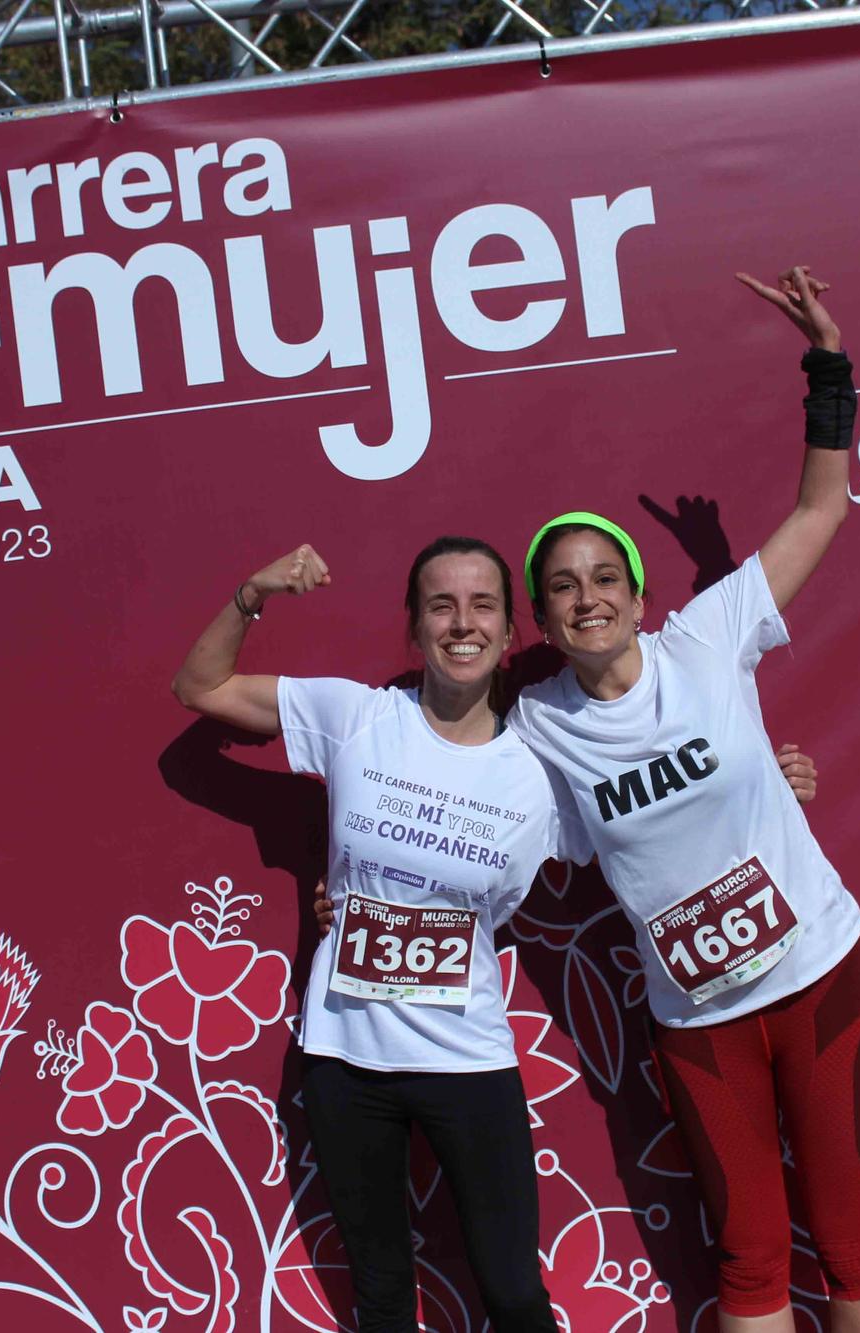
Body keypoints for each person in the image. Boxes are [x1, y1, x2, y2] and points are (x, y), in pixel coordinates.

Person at [172, 535, 822, 1331]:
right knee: (380, 1300)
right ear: (414, 626)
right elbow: (199, 686)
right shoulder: (355, 716)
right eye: (440, 605)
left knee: (515, 1295)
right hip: (345, 1059)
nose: (461, 622)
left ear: (512, 630)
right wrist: (253, 589)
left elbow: (667, 803)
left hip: (467, 1059)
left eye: (482, 604)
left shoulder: (543, 764)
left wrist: (764, 772)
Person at [504, 264, 860, 1333]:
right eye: (562, 585)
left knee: (854, 1241)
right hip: (700, 1020)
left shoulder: (708, 637)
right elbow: (458, 821)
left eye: (604, 578)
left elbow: (822, 507)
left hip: (817, 972)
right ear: (540, 617)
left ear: (637, 594)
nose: (587, 597)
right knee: (750, 1266)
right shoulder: (535, 727)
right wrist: (362, 892)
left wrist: (825, 364)